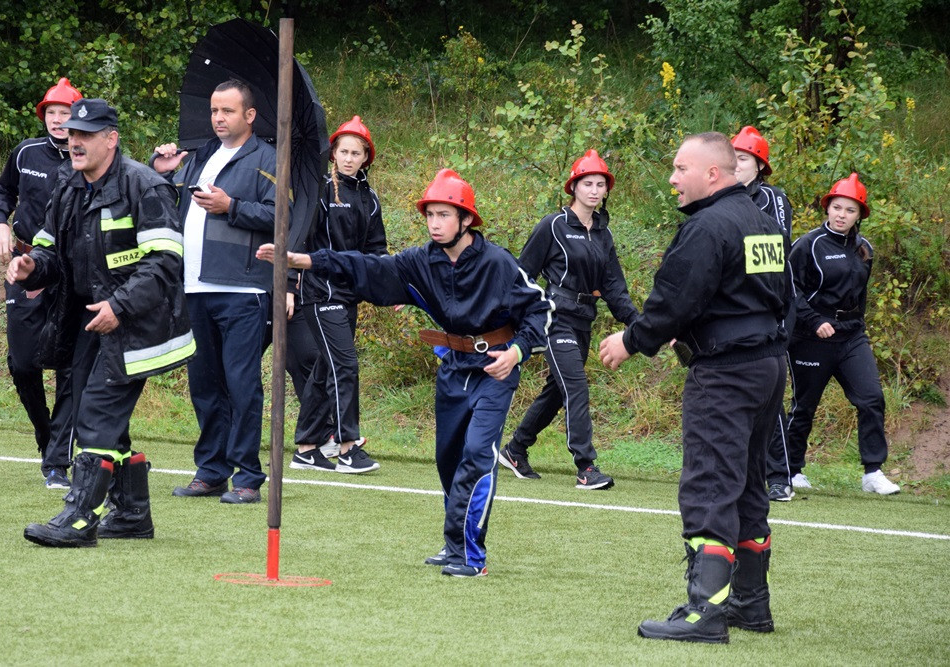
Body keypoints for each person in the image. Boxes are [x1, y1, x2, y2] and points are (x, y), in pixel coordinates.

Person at [260, 168, 553, 576]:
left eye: (444, 215)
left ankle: (471, 556)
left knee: (476, 456)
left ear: (466, 220)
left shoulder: (498, 263)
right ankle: (454, 545)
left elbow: (541, 309)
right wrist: (304, 260)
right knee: (447, 459)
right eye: (430, 214)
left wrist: (518, 352)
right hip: (452, 368)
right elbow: (366, 267)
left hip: (495, 370)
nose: (434, 223)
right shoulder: (421, 261)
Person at [599, 132, 788, 643]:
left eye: (681, 168)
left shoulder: (708, 226)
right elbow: (779, 296)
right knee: (749, 483)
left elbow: (674, 302)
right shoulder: (764, 222)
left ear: (712, 173)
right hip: (768, 364)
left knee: (709, 484)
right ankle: (750, 605)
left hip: (725, 371)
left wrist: (630, 341)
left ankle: (705, 611)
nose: (672, 179)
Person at [7, 98, 194, 547]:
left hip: (139, 325)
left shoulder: (144, 185)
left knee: (95, 417)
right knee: (108, 421)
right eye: (71, 134)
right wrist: (33, 266)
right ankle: (132, 515)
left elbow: (165, 263)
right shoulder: (68, 184)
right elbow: (50, 251)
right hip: (91, 320)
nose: (74, 142)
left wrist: (120, 307)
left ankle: (77, 519)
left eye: (85, 135)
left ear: (111, 139)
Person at [151, 79, 276, 504]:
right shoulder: (201, 155)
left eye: (227, 111)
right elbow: (177, 201)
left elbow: (284, 215)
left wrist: (233, 207)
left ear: (250, 116)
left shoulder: (269, 158)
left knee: (242, 385)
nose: (218, 118)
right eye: (214, 111)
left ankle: (248, 478)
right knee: (204, 384)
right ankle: (211, 471)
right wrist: (164, 173)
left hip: (243, 289)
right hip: (194, 285)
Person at [499, 149, 638, 490]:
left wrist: (640, 324)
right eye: (587, 183)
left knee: (557, 391)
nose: (594, 190)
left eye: (600, 184)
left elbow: (614, 288)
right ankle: (586, 466)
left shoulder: (604, 235)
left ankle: (516, 449)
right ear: (573, 187)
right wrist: (517, 318)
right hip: (553, 319)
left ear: (606, 190)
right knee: (575, 385)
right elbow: (522, 275)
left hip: (584, 320)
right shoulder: (553, 226)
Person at [0, 77, 81, 489]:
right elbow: (2, 192)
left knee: (70, 367)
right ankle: (47, 439)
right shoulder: (25, 151)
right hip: (26, 266)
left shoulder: (87, 155)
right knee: (23, 363)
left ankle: (58, 461)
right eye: (52, 113)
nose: (58, 120)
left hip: (73, 272)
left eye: (65, 113)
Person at [786, 173, 900, 495]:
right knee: (804, 406)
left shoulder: (865, 250)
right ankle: (791, 469)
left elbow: (860, 297)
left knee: (872, 398)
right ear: (827, 208)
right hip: (811, 338)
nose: (841, 215)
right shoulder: (808, 245)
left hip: (851, 337)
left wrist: (857, 329)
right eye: (836, 207)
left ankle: (873, 472)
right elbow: (788, 288)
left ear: (859, 215)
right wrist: (811, 321)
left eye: (849, 210)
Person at [289, 116, 386, 474]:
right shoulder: (319, 190)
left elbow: (377, 250)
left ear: (365, 157)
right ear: (333, 154)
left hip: (350, 295)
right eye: (342, 151)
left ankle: (306, 447)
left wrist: (382, 285)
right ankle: (347, 447)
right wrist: (288, 284)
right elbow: (298, 239)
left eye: (355, 152)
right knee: (344, 364)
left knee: (322, 369)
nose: (348, 158)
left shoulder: (370, 198)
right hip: (319, 291)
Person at [731, 125, 796, 502]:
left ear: (759, 166)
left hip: (772, 305)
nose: (737, 165)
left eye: (743, 159)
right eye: (733, 158)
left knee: (770, 396)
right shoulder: (719, 198)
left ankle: (779, 475)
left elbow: (775, 249)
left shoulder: (772, 198)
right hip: (734, 310)